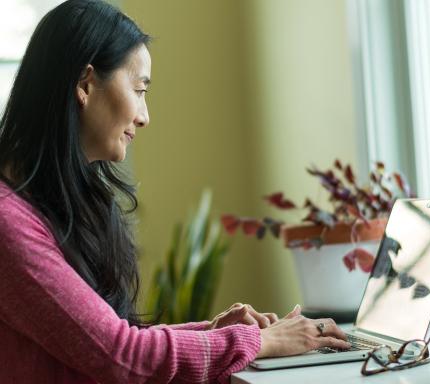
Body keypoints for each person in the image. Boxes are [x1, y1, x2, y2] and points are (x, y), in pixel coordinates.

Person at [0, 1, 350, 383]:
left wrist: (215, 332)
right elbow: (120, 356)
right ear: (85, 84)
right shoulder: (8, 222)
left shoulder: (41, 205)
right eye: (138, 89)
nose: (144, 115)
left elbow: (104, 342)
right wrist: (257, 341)